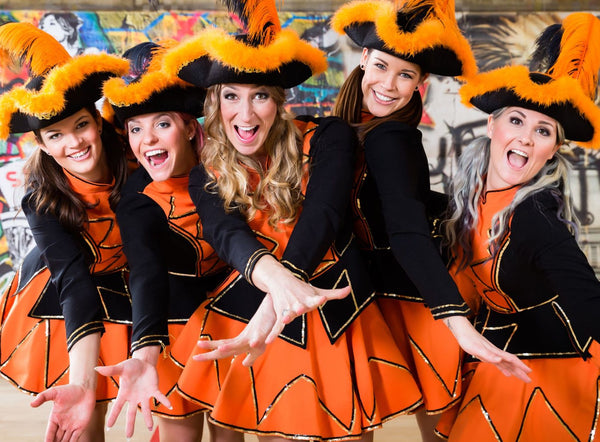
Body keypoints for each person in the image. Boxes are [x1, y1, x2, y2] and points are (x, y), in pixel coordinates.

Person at [161, 0, 430, 439]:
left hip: (334, 302)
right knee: (242, 423)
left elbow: (323, 214)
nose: (245, 115)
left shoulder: (328, 135)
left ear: (280, 101)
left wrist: (275, 306)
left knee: (347, 425)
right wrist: (278, 290)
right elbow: (226, 234)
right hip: (250, 299)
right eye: (231, 96)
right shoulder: (204, 173)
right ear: (214, 102)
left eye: (260, 96)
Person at [330, 1, 531, 440]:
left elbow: (405, 225)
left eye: (405, 74)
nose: (389, 84)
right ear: (364, 59)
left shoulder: (393, 137)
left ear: (421, 82)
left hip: (415, 296)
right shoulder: (346, 130)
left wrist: (455, 319)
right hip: (375, 292)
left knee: (425, 425)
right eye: (382, 66)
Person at [438, 12, 600, 441]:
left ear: (553, 150)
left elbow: (587, 298)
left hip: (556, 369)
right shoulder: (467, 198)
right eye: (516, 120)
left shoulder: (535, 217)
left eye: (543, 130)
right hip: (502, 358)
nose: (526, 138)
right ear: (491, 124)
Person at [0, 22, 131, 441]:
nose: (73, 143)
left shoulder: (136, 160)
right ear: (41, 144)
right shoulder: (41, 198)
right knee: (85, 408)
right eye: (56, 135)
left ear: (97, 120)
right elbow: (74, 283)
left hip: (131, 277)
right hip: (66, 286)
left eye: (80, 125)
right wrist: (82, 385)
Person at [96, 40, 233, 441]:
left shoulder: (228, 174)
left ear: (190, 127)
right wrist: (144, 353)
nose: (148, 139)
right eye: (136, 128)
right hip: (171, 336)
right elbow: (146, 271)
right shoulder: (137, 203)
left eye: (161, 123)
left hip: (232, 329)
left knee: (230, 435)